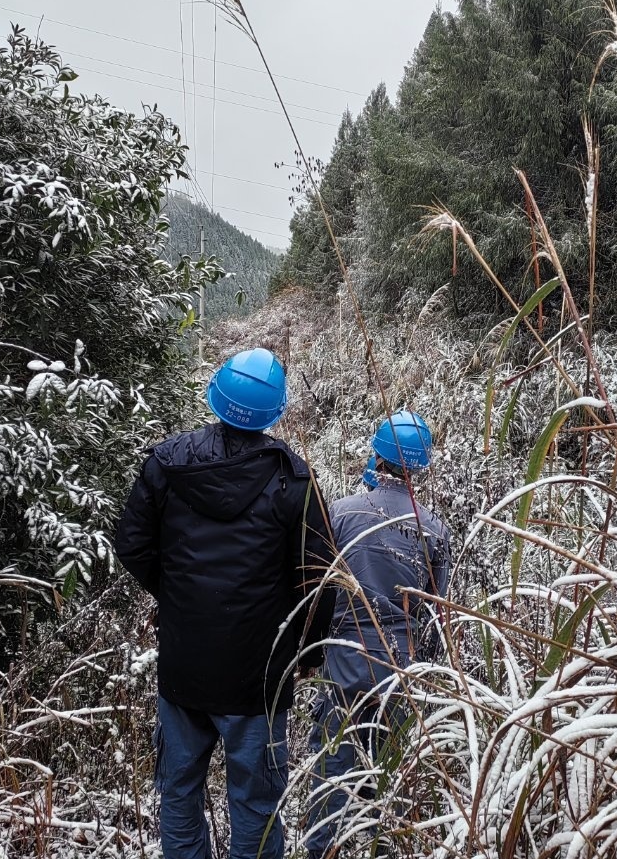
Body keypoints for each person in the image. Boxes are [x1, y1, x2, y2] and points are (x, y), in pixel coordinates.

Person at [115, 347, 335, 859]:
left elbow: (132, 546)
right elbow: (320, 581)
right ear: (274, 411)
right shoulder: (293, 481)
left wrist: (176, 598)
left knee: (179, 792)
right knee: (256, 803)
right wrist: (306, 654)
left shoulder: (166, 464)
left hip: (183, 670)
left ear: (216, 395)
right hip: (258, 680)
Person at [304, 410, 450, 859]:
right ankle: (384, 846)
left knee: (332, 758)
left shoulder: (342, 513)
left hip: (345, 651)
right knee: (391, 764)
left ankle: (322, 847)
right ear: (420, 466)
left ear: (377, 455)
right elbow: (435, 603)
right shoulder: (434, 529)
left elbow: (316, 585)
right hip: (400, 658)